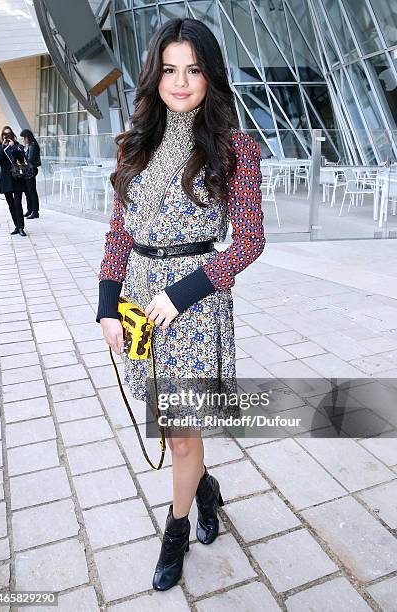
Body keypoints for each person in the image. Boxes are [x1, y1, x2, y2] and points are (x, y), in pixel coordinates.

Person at [96, 18, 265, 591]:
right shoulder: (134, 145)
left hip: (193, 304)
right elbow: (119, 233)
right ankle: (206, 488)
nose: (180, 81)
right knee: (168, 427)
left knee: (183, 430)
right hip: (141, 304)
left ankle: (176, 528)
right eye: (169, 69)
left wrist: (184, 290)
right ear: (154, 75)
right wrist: (107, 304)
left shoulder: (235, 148)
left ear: (210, 75)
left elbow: (248, 240)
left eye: (193, 69)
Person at [0, 126, 27, 236]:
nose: (6, 136)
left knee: (17, 203)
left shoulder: (17, 146)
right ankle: (17, 226)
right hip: (6, 179)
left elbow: (22, 159)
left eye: (8, 134)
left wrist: (13, 148)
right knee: (11, 205)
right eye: (4, 134)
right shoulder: (0, 147)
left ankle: (21, 227)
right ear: (2, 135)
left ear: (12, 135)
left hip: (17, 178)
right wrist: (4, 148)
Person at [20, 128, 41, 219]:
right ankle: (30, 209)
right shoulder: (31, 146)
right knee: (28, 191)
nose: (23, 140)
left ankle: (35, 211)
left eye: (24, 138)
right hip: (29, 170)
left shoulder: (33, 146)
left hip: (30, 171)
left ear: (28, 137)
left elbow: (30, 159)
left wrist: (23, 160)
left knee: (31, 191)